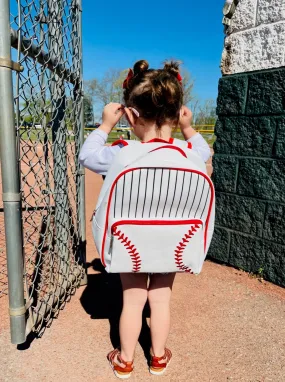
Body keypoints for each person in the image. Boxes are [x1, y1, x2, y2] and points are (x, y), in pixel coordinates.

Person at [79, 60, 211, 379]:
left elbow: (86, 155)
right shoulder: (190, 152)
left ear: (132, 114)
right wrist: (188, 128)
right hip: (175, 242)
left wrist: (106, 125)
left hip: (131, 243)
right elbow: (204, 150)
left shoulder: (122, 151)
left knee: (133, 299)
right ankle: (158, 358)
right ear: (177, 111)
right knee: (161, 299)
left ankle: (124, 360)